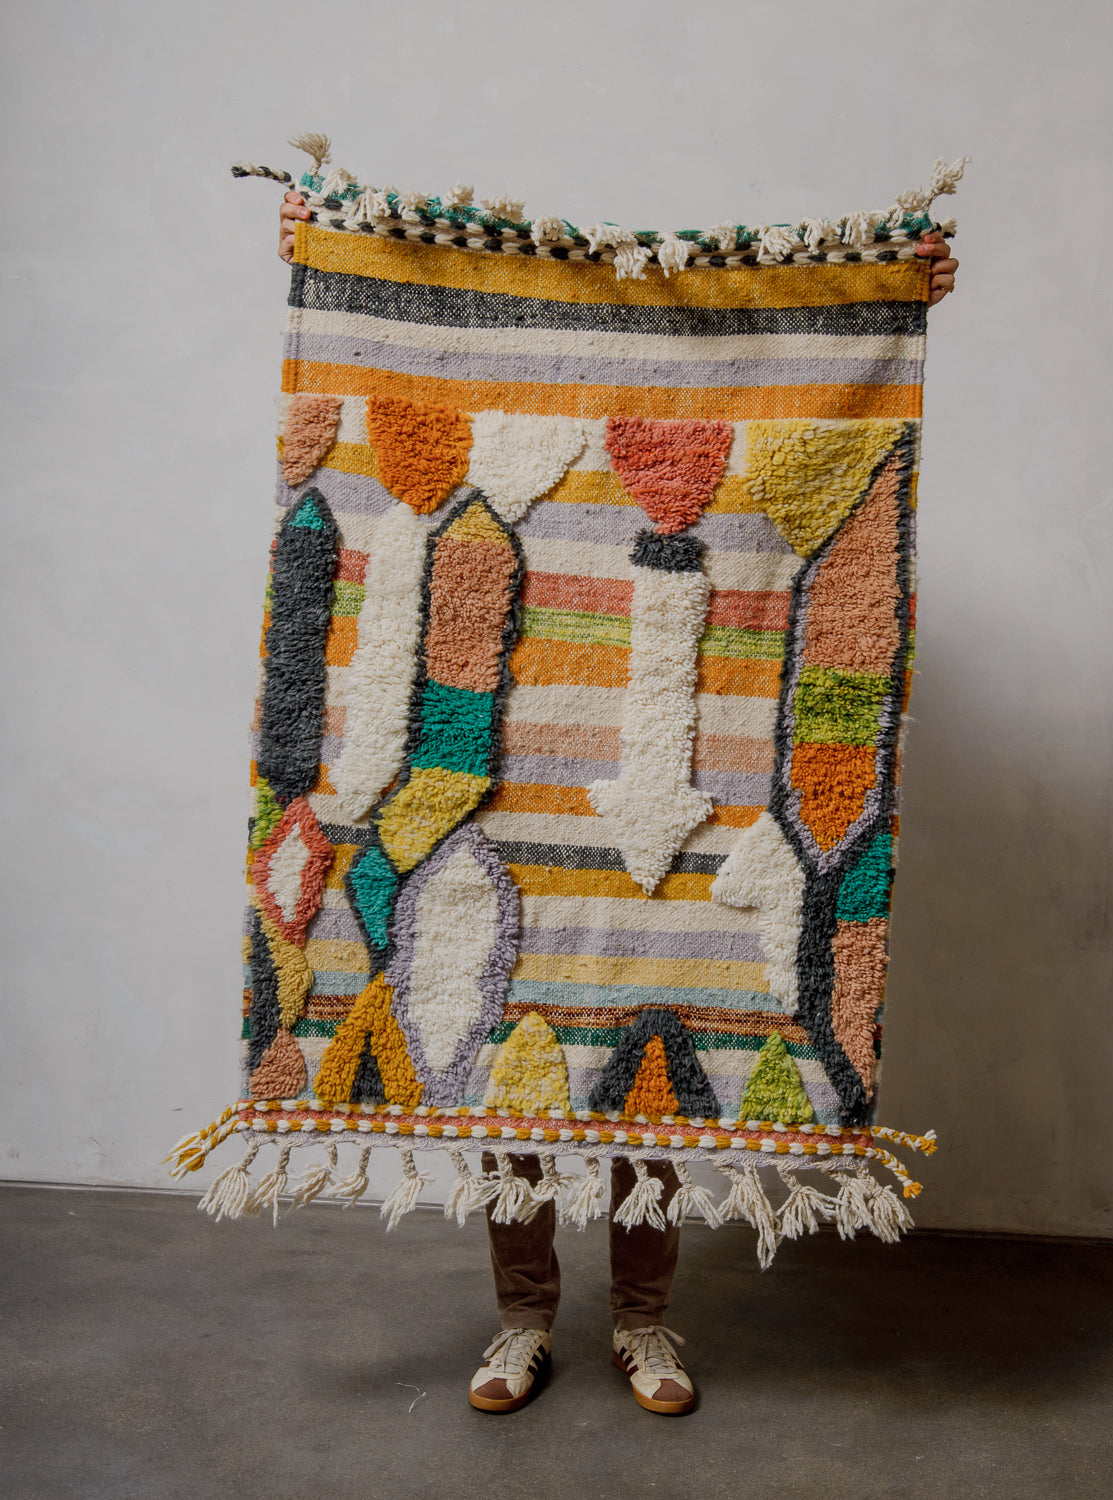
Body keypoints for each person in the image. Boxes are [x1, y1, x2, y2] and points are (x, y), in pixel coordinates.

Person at [275, 192, 958, 1417]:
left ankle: (645, 1323)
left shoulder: (694, 317)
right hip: (515, 746)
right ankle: (522, 1322)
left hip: (661, 763)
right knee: (509, 1042)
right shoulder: (514, 352)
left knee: (654, 1015)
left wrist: (889, 296)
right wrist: (333, 258)